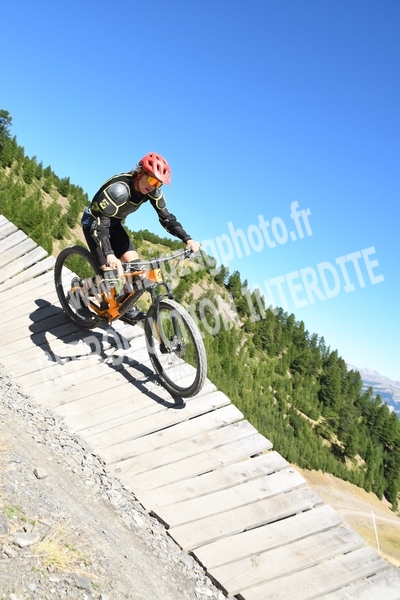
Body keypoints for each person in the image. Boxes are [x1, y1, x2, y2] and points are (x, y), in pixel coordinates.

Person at [80, 152, 200, 324]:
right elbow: (101, 225)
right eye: (151, 179)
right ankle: (80, 292)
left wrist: (187, 239)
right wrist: (110, 254)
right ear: (140, 172)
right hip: (95, 223)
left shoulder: (152, 192)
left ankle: (125, 307)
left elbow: (166, 218)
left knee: (136, 270)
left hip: (113, 225)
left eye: (158, 183)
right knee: (110, 276)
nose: (152, 186)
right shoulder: (119, 190)